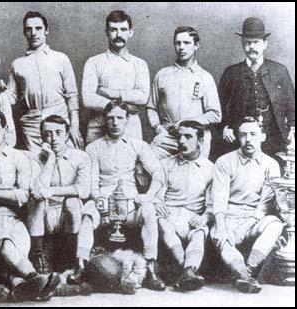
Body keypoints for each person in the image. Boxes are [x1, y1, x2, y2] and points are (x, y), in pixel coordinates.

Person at [0, 109, 60, 301]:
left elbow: (23, 195)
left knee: (17, 245)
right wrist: (5, 193)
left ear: (5, 129)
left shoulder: (20, 158)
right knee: (5, 242)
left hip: (13, 217)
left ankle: (21, 286)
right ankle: (35, 277)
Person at [84, 99, 167, 291]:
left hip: (130, 205)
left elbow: (158, 173)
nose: (115, 123)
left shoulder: (138, 145)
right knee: (87, 213)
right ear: (105, 120)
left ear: (127, 120)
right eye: (110, 118)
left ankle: (151, 269)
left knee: (148, 211)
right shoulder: (93, 148)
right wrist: (98, 199)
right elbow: (92, 184)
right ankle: (81, 266)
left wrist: (148, 197)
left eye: (119, 118)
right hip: (104, 204)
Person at [211, 116, 283, 293]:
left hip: (254, 219)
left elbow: (264, 206)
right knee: (221, 236)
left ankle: (248, 270)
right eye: (243, 135)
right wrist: (221, 227)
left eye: (253, 134)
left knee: (274, 223)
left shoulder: (271, 165)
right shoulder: (224, 161)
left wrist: (244, 227)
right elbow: (219, 199)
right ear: (237, 137)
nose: (248, 139)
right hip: (229, 216)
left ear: (263, 137)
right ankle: (242, 272)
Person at [216, 17, 295, 162]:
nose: (251, 47)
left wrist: (292, 128)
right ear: (242, 44)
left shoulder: (279, 71)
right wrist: (225, 127)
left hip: (274, 141)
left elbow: (292, 105)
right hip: (240, 141)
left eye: (256, 42)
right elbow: (219, 105)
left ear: (265, 44)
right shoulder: (231, 73)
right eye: (247, 43)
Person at [27, 115, 95, 277]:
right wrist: (50, 160)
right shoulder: (34, 158)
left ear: (66, 134)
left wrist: (53, 191)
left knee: (72, 201)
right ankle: (38, 255)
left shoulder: (81, 157)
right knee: (36, 201)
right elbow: (35, 190)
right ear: (42, 137)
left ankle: (70, 254)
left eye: (58, 133)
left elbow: (84, 190)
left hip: (67, 216)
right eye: (48, 134)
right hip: (44, 215)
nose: (53, 138)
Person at [7, 11, 83, 151]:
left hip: (60, 118)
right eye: (28, 29)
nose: (33, 33)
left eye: (38, 28)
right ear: (24, 32)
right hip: (31, 124)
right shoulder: (17, 64)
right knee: (37, 166)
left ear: (46, 30)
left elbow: (72, 95)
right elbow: (10, 97)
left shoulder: (61, 58)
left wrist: (74, 126)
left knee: (67, 163)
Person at [147, 26, 221, 159]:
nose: (181, 47)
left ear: (196, 45)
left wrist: (187, 122)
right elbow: (151, 107)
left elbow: (215, 115)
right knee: (144, 166)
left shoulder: (205, 77)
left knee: (191, 176)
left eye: (186, 43)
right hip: (167, 138)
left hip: (195, 138)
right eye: (178, 43)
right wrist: (157, 127)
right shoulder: (162, 74)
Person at [158, 121, 214, 291]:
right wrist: (158, 203)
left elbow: (212, 204)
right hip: (169, 214)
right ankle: (187, 271)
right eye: (179, 136)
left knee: (199, 234)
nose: (182, 141)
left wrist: (204, 217)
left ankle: (189, 269)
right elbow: (157, 194)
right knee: (164, 225)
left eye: (188, 137)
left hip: (193, 216)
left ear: (200, 141)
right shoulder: (165, 164)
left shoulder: (211, 168)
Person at [82, 10, 150, 144]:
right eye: (113, 30)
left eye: (123, 29)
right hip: (99, 124)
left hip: (130, 124)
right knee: (94, 162)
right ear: (106, 32)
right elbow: (87, 98)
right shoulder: (94, 62)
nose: (119, 34)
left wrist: (108, 93)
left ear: (131, 32)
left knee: (131, 163)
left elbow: (143, 97)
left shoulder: (139, 64)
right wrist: (114, 105)